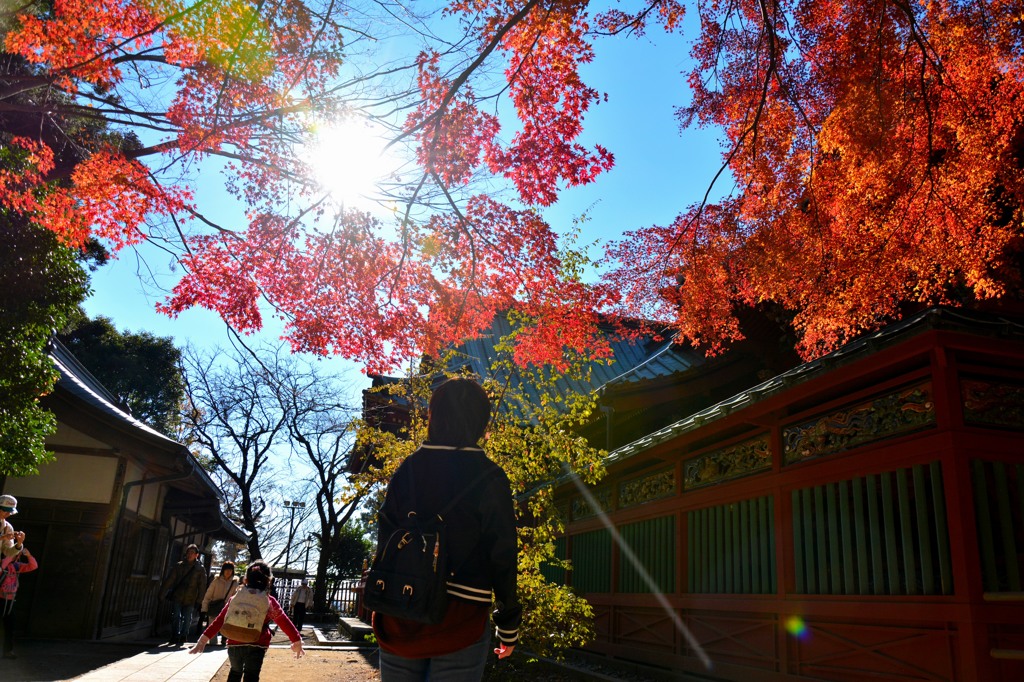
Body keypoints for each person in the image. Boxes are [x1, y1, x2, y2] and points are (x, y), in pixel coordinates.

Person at [372, 377, 520, 682]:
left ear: (433, 415)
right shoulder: (490, 476)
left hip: (401, 607)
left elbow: (386, 536)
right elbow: (502, 555)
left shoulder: (408, 469)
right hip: (461, 617)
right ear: (481, 419)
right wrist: (508, 625)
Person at [190, 560, 303, 681]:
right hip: (258, 643)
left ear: (246, 579)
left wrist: (203, 639)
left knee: (235, 672)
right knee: (251, 675)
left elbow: (220, 620)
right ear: (268, 580)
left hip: (234, 641)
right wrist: (296, 640)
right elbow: (284, 621)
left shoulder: (236, 598)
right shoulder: (269, 601)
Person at [160, 543, 207, 646]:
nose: (190, 554)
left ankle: (183, 634)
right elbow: (170, 580)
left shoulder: (200, 569)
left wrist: (200, 600)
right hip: (178, 595)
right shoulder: (179, 566)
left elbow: (202, 586)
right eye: (188, 552)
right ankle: (175, 635)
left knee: (187, 617)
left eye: (192, 553)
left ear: (196, 555)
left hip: (191, 597)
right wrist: (162, 593)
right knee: (175, 615)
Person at [1, 545, 38, 660]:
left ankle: (8, 651)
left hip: (10, 601)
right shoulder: (3, 563)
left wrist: (29, 556)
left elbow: (33, 566)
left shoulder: (16, 566)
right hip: (1, 599)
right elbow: (2, 566)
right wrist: (11, 553)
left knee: (10, 627)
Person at [202, 561, 239, 646]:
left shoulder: (234, 583)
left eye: (230, 570)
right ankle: (212, 643)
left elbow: (236, 597)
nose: (228, 572)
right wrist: (204, 608)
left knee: (226, 626)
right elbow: (208, 595)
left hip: (227, 608)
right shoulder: (216, 581)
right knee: (213, 626)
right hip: (214, 606)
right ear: (223, 570)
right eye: (226, 570)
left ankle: (224, 640)